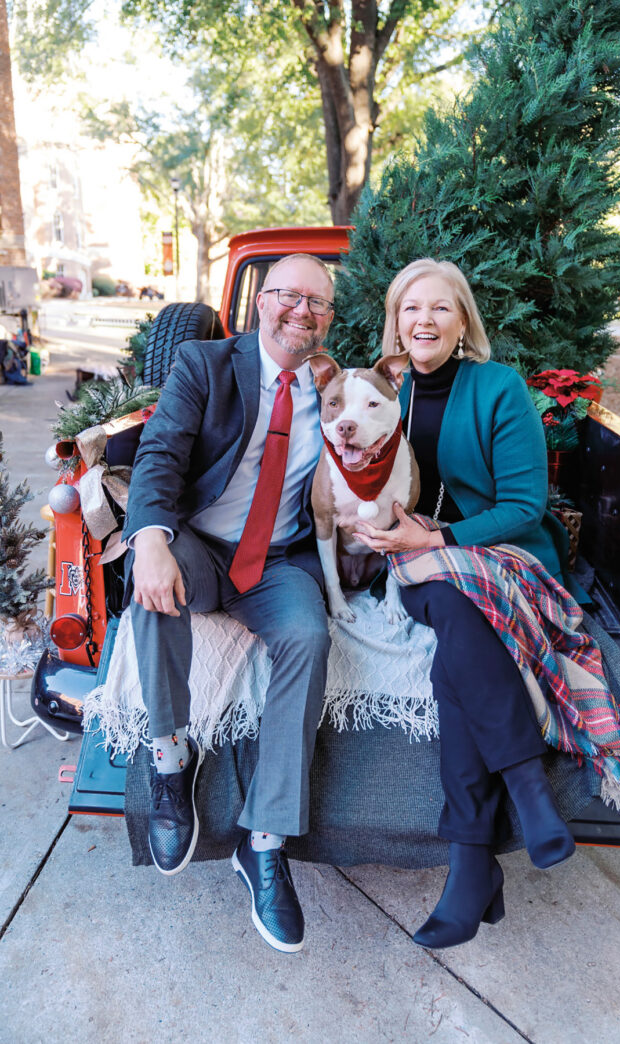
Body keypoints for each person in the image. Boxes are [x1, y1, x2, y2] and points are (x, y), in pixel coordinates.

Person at [354, 258, 580, 950]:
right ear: (395, 321)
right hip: (413, 564)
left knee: (457, 626)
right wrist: (381, 536)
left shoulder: (498, 387)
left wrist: (444, 535)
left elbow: (524, 505)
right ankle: (525, 798)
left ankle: (472, 861)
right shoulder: (375, 388)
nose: (424, 320)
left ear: (463, 323)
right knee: (448, 603)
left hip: (498, 554)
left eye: (440, 309)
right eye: (410, 308)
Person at [122, 254, 335, 954]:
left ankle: (264, 841)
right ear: (260, 302)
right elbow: (160, 453)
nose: (300, 311)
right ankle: (169, 757)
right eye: (287, 296)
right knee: (152, 581)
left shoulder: (333, 388)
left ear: (329, 320)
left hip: (276, 562)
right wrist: (150, 535)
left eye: (317, 303)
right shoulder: (204, 362)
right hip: (202, 545)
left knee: (308, 634)